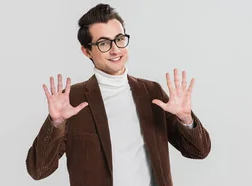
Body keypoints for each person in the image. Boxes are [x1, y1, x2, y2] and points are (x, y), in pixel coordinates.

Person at [25, 3, 211, 186]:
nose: (115, 49)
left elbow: (198, 151)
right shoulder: (72, 99)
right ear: (87, 51)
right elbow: (38, 170)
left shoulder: (151, 92)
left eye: (120, 39)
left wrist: (186, 119)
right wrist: (56, 123)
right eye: (104, 43)